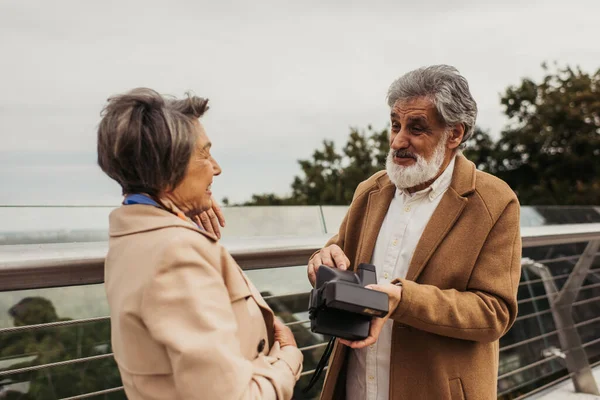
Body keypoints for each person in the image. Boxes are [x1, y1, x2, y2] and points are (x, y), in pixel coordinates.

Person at [307, 65, 522, 399]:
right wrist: (321, 259)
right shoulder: (370, 191)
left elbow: (494, 313)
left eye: (416, 128)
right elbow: (337, 252)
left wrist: (403, 300)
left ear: (454, 135)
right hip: (357, 388)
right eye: (395, 125)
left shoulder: (495, 202)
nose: (397, 140)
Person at [98, 88, 303, 399]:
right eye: (205, 154)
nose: (216, 168)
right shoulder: (175, 253)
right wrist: (287, 362)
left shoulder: (137, 235)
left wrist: (183, 208)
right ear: (170, 167)